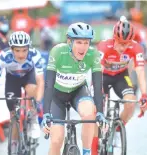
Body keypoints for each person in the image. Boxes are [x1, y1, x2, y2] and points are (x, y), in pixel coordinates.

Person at [42, 22, 106, 155]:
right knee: (56, 141)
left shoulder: (93, 54)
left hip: (78, 91)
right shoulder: (58, 51)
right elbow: (48, 84)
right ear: (69, 42)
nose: (83, 47)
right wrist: (46, 112)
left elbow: (98, 85)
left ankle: (86, 152)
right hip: (57, 96)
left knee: (89, 115)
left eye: (86, 43)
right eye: (79, 42)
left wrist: (100, 112)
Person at [92, 16, 147, 155]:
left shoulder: (136, 48)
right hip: (103, 76)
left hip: (121, 76)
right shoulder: (104, 46)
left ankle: (118, 131)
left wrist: (144, 95)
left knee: (130, 103)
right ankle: (94, 149)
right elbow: (97, 71)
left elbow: (140, 71)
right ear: (114, 38)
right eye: (120, 43)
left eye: (127, 43)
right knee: (96, 109)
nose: (123, 47)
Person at [0, 31, 44, 155]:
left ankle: (33, 117)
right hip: (12, 79)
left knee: (31, 89)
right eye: (17, 51)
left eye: (24, 50)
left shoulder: (35, 55)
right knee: (14, 114)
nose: (21, 54)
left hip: (28, 76)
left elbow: (40, 81)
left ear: (29, 49)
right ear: (11, 49)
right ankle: (14, 144)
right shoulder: (4, 56)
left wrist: (38, 102)